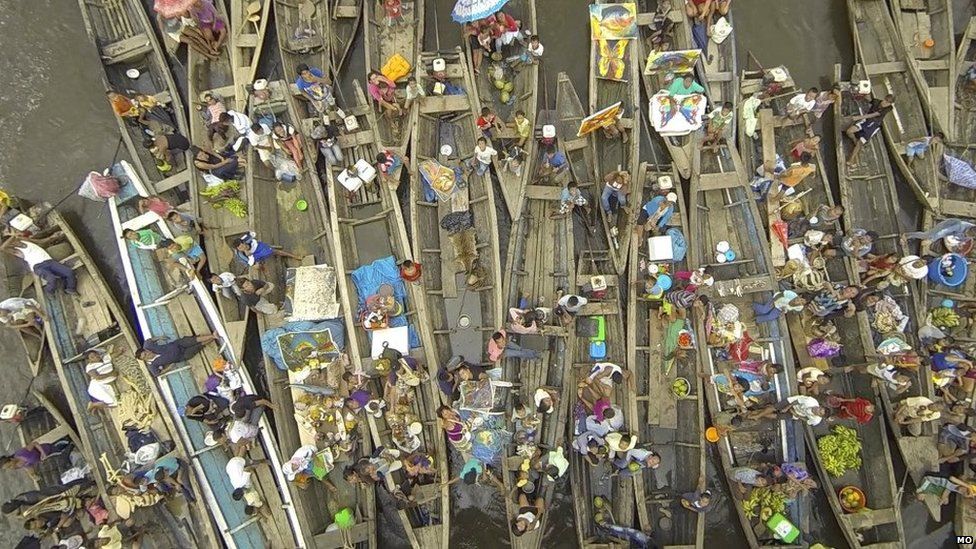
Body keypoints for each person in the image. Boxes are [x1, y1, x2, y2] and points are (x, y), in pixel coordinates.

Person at [0, 237, 77, 295]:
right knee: (52, 278)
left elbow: (40, 241)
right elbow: (2, 248)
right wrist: (12, 236)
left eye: (15, 240)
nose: (15, 241)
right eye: (12, 242)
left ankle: (70, 289)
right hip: (38, 266)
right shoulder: (16, 251)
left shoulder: (25, 240)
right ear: (11, 244)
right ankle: (49, 292)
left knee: (69, 272)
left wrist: (52, 237)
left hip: (49, 261)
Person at [844, 94, 894, 164]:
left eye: (887, 102)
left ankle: (851, 159)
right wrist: (864, 94)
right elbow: (869, 99)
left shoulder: (887, 109)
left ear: (890, 104)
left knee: (860, 142)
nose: (885, 103)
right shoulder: (877, 101)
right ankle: (855, 141)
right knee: (849, 131)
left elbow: (872, 115)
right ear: (884, 98)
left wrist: (858, 117)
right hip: (866, 121)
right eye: (885, 100)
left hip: (873, 125)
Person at [137, 333, 220, 375]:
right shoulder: (152, 365)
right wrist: (169, 368)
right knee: (199, 346)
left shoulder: (148, 346)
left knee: (194, 340)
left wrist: (160, 337)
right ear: (144, 359)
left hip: (177, 344)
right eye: (145, 355)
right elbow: (158, 373)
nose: (147, 353)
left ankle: (213, 335)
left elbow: (149, 340)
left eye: (145, 352)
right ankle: (213, 338)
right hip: (181, 356)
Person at [232, 232, 302, 270]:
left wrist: (250, 236)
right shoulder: (241, 254)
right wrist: (249, 256)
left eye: (242, 246)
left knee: (274, 251)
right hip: (253, 257)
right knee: (257, 267)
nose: (242, 248)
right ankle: (263, 266)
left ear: (244, 242)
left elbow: (252, 233)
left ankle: (294, 256)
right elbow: (249, 263)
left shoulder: (246, 239)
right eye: (239, 248)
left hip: (258, 247)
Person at [0, 438, 72, 474]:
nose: (11, 468)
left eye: (9, 466)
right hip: (49, 457)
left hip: (48, 449)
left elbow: (34, 443)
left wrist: (42, 452)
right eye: (8, 468)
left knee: (66, 444)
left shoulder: (21, 453)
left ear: (11, 460)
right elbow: (28, 466)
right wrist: (33, 474)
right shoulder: (17, 466)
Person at [904, 218, 976, 246]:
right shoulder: (960, 226)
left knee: (930, 236)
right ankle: (906, 235)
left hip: (951, 232)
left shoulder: (971, 234)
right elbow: (943, 232)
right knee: (926, 235)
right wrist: (931, 240)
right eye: (967, 233)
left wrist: (960, 243)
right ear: (969, 228)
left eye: (970, 235)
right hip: (945, 226)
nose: (967, 235)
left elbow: (966, 239)